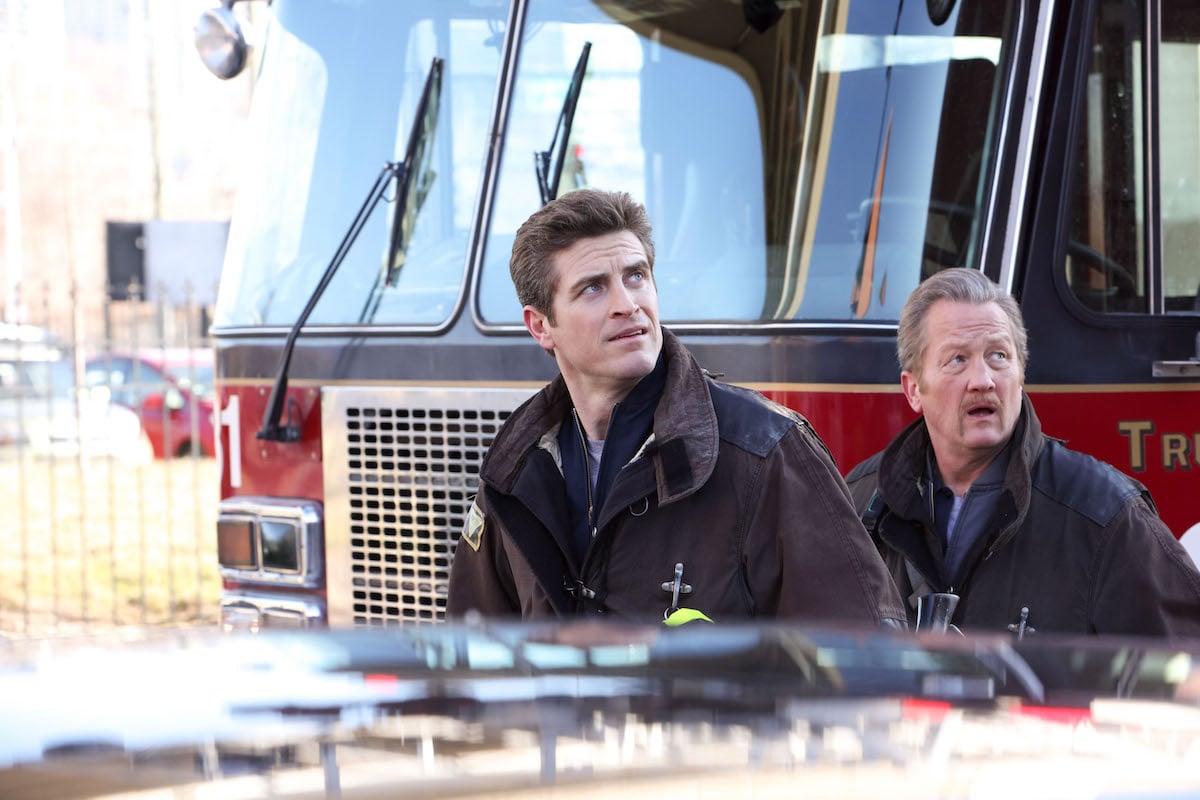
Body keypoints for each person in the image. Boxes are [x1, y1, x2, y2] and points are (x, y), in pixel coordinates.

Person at [447, 189, 905, 626]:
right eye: (593, 288)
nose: (628, 305)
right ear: (542, 326)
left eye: (636, 276)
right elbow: (469, 663)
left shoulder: (767, 452)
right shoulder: (515, 473)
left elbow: (864, 657)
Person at [845, 268, 1200, 637]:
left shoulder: (1106, 515)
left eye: (998, 355)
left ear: (1021, 372)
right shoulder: (858, 505)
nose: (982, 380)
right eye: (957, 360)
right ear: (914, 388)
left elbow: (1186, 668)